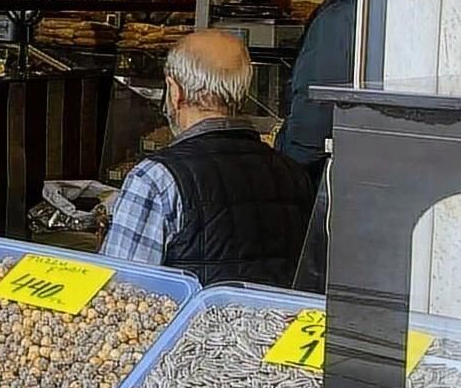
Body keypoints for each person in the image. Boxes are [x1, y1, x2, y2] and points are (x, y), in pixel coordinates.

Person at [103, 29, 314, 286]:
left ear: (174, 91)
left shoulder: (155, 180)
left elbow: (121, 290)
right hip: (273, 325)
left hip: (189, 326)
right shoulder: (292, 173)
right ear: (242, 93)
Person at [276, 0, 357, 183]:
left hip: (322, 168)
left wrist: (289, 165)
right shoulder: (381, 1)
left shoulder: (342, 15)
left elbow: (315, 109)